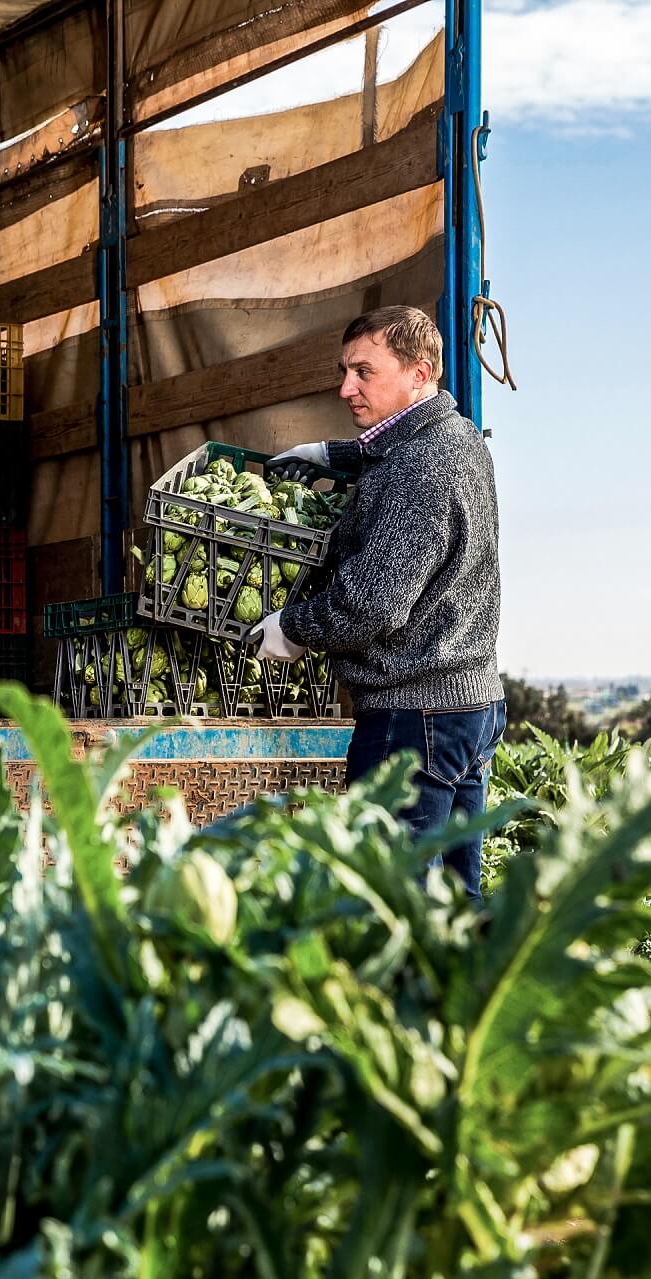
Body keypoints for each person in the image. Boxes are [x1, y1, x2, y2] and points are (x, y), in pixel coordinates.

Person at [252, 306, 504, 897]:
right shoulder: (454, 434)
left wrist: (293, 627)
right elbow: (390, 452)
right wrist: (330, 454)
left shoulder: (420, 469)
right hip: (468, 704)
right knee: (456, 900)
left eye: (364, 372)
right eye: (345, 371)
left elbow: (372, 606)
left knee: (393, 902)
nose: (346, 388)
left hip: (411, 718)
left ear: (420, 373)